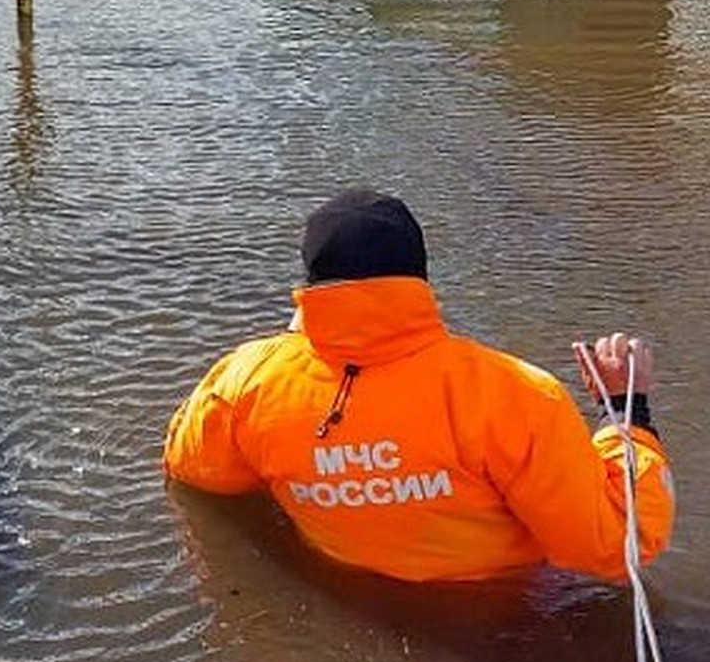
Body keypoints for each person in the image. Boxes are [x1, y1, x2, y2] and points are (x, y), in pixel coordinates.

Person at [163, 188, 675, 583]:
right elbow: (616, 546)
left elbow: (192, 472)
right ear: (421, 277)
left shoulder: (248, 383)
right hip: (510, 613)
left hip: (353, 602)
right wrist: (626, 414)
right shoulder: (513, 394)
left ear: (308, 287)